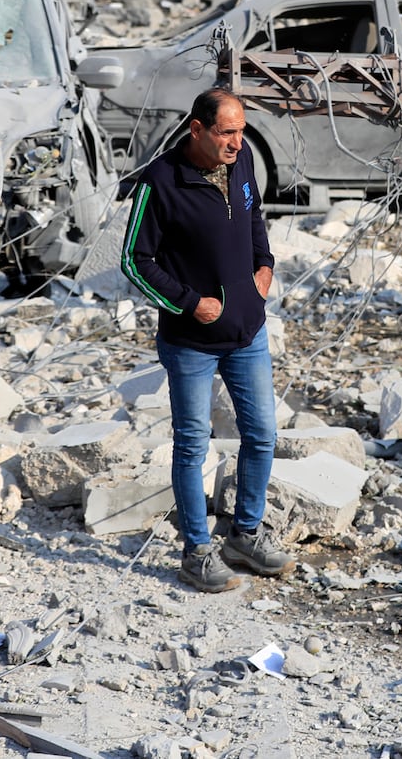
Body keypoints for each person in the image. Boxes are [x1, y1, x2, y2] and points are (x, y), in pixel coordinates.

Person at [121, 88, 294, 592]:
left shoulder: (240, 166)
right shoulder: (159, 181)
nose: (238, 142)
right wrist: (189, 301)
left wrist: (265, 267)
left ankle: (245, 535)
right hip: (190, 342)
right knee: (193, 445)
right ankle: (197, 551)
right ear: (197, 129)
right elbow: (136, 260)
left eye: (241, 130)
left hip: (247, 332)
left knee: (262, 435)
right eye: (227, 132)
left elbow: (254, 216)